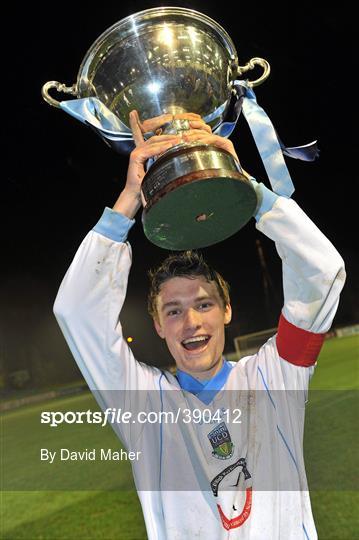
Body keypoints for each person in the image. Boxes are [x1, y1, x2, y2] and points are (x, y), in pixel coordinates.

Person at [54, 111, 346, 539]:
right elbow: (76, 312)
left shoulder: (276, 376)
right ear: (157, 324)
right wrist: (130, 198)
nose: (191, 321)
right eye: (173, 310)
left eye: (204, 304)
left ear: (227, 311)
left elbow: (322, 272)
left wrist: (239, 180)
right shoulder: (142, 404)